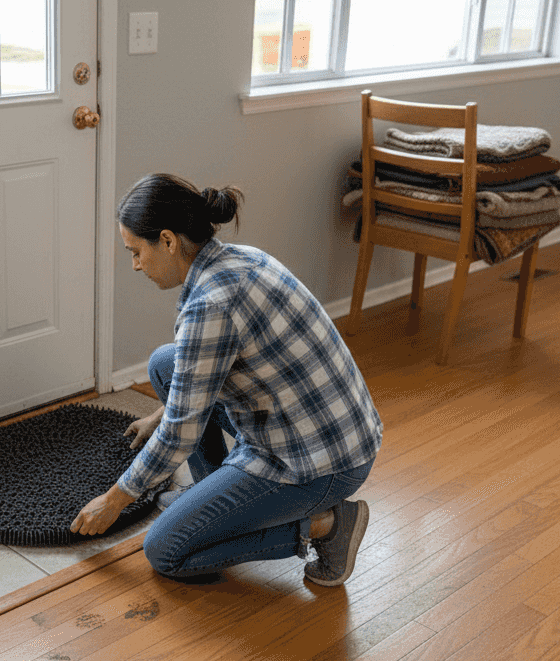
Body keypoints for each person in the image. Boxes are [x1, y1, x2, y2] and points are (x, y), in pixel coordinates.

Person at [69, 173, 383, 586]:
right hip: (329, 432)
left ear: (167, 240)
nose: (135, 264)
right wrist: (163, 413)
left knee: (166, 550)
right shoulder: (240, 258)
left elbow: (180, 434)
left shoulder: (210, 306)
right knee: (166, 363)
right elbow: (205, 375)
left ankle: (328, 525)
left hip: (317, 464)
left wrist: (113, 501)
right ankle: (218, 498)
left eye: (135, 251)